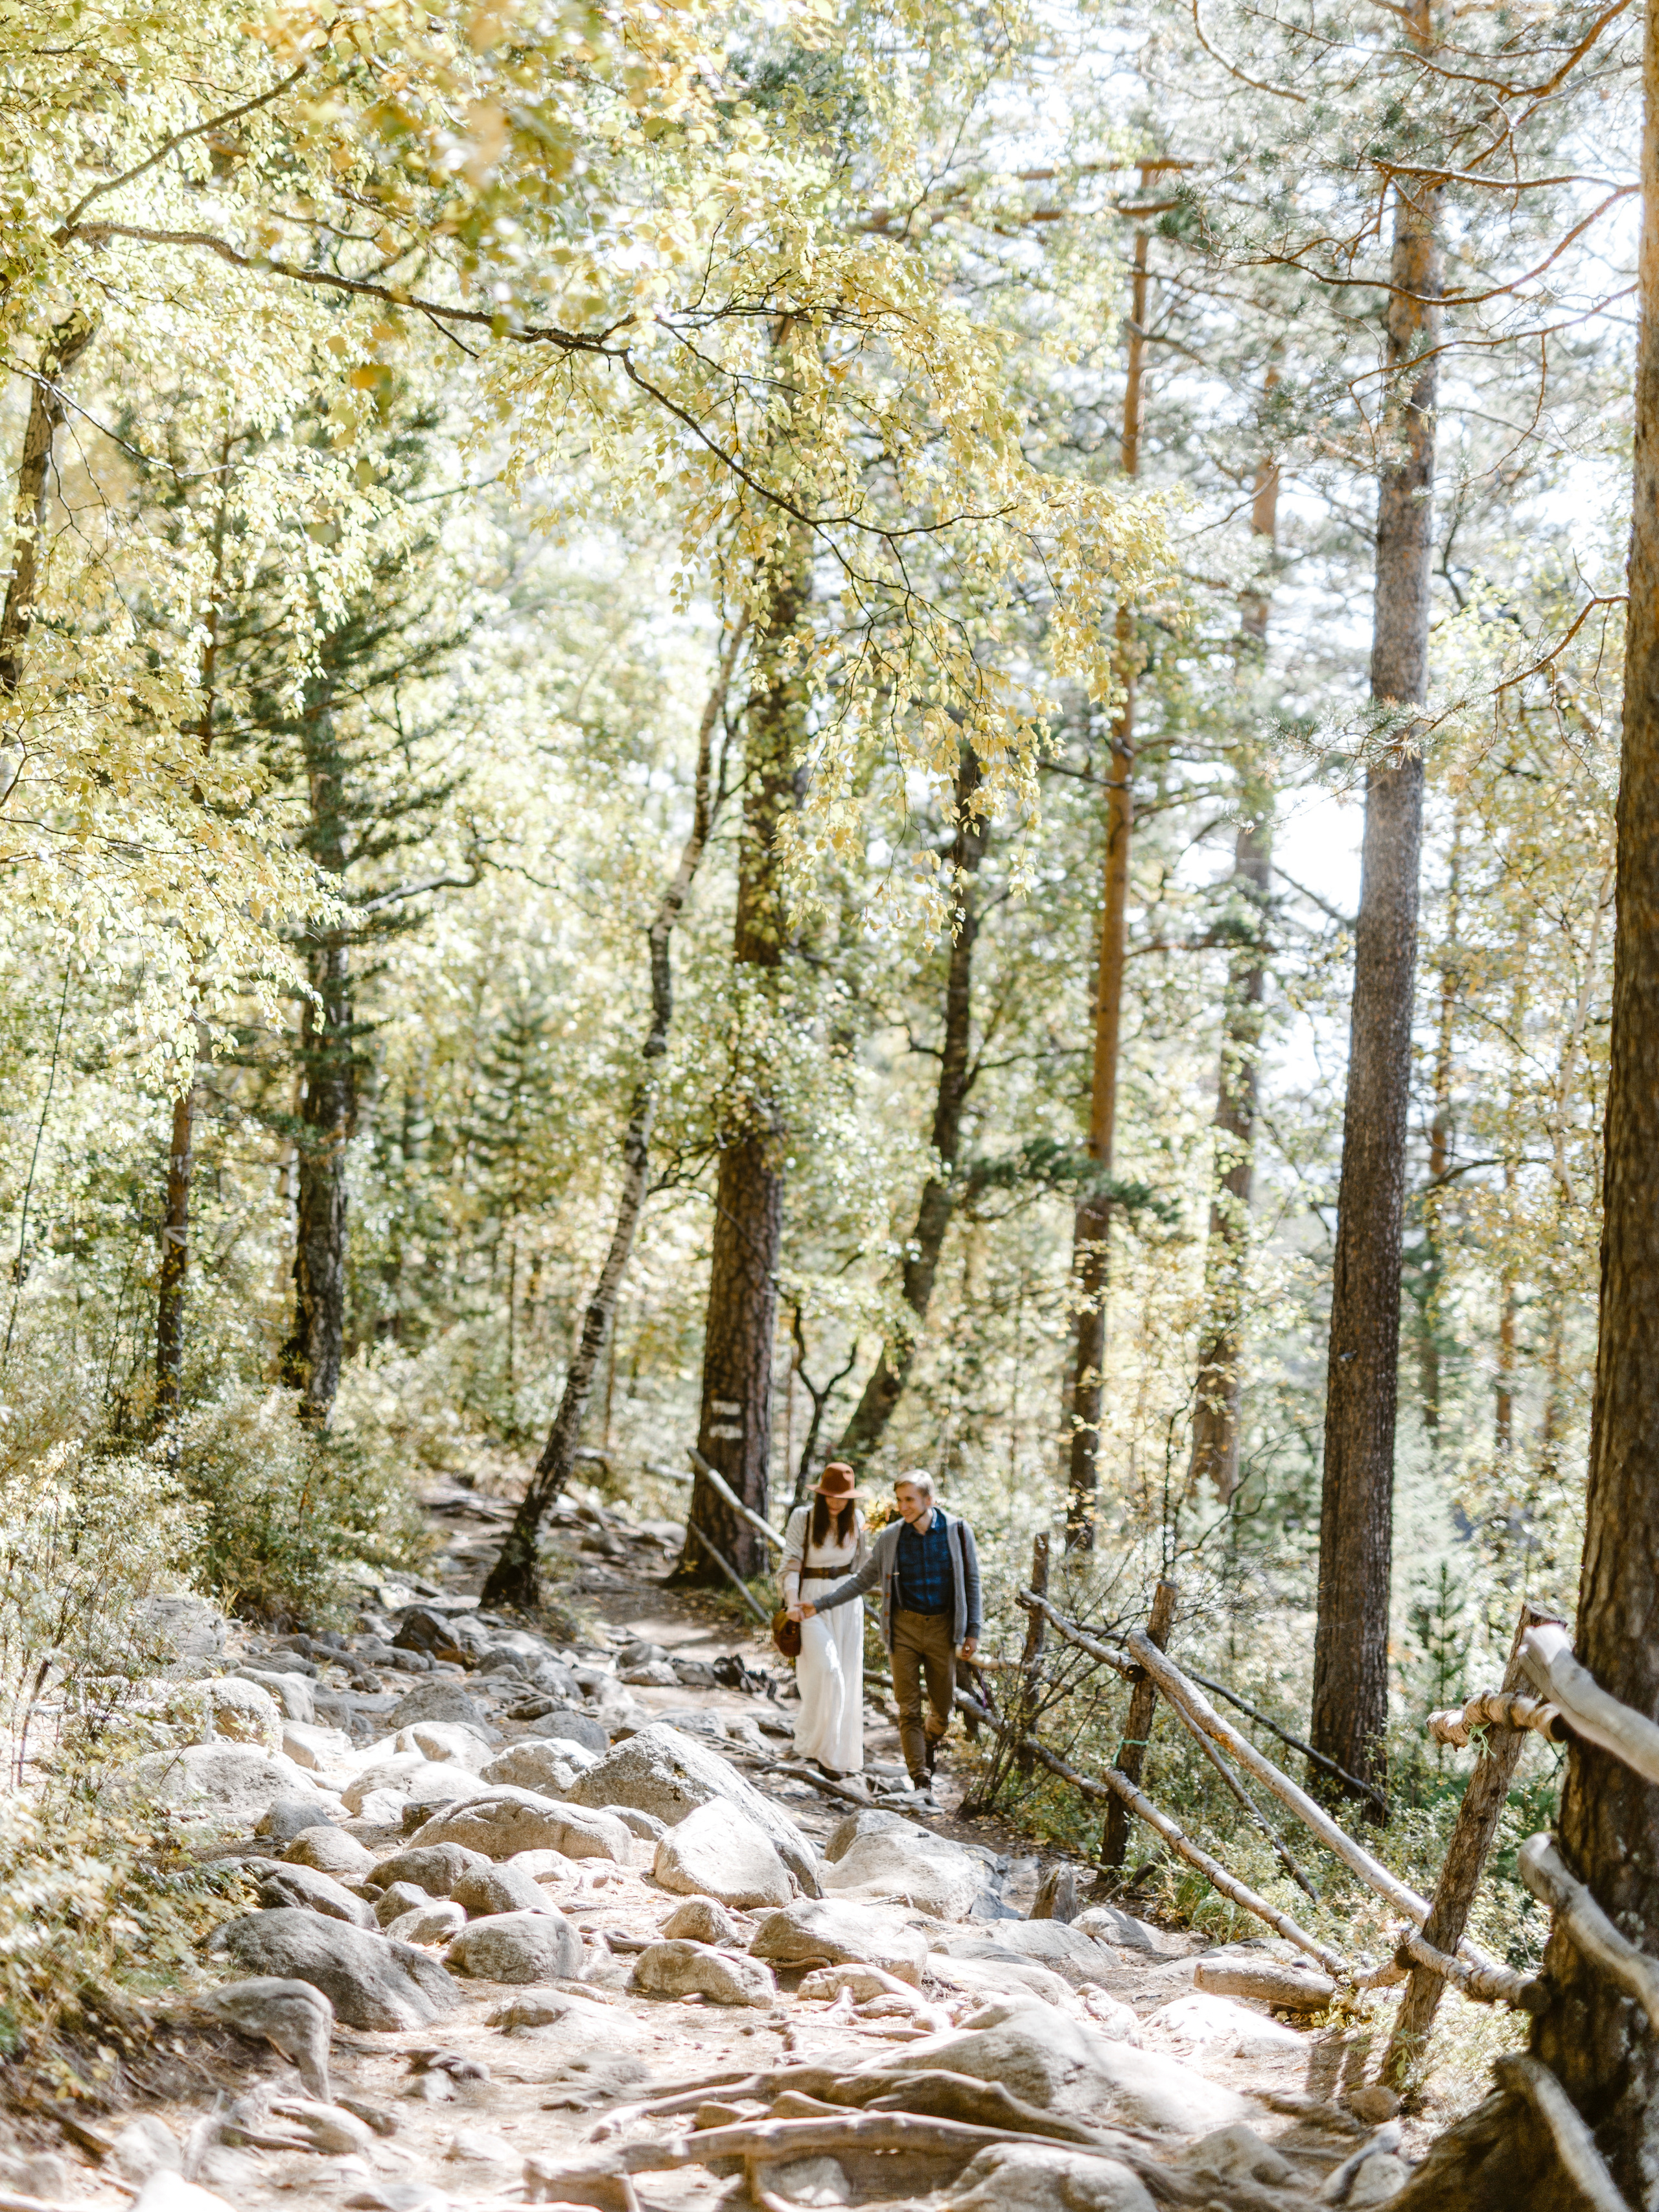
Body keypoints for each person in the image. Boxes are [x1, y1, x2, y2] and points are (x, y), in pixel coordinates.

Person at [799, 1469, 980, 1802]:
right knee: (908, 1708)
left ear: (929, 1500)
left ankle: (927, 1742)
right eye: (899, 1500)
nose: (903, 1506)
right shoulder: (891, 1537)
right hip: (903, 1630)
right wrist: (819, 1604)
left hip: (942, 1630)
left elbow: (972, 1581)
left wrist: (973, 1631)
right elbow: (861, 1581)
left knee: (943, 1708)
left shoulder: (957, 1531)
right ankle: (920, 1780)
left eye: (909, 1500)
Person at [780, 1461, 869, 1778]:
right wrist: (792, 1602)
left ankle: (833, 1756)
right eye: (830, 1495)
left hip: (846, 1601)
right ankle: (811, 1742)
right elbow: (790, 1562)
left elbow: (865, 1566)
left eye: (842, 1497)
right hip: (808, 1601)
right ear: (820, 1494)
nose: (836, 1502)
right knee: (827, 1671)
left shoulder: (858, 1519)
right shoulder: (803, 1518)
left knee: (845, 1673)